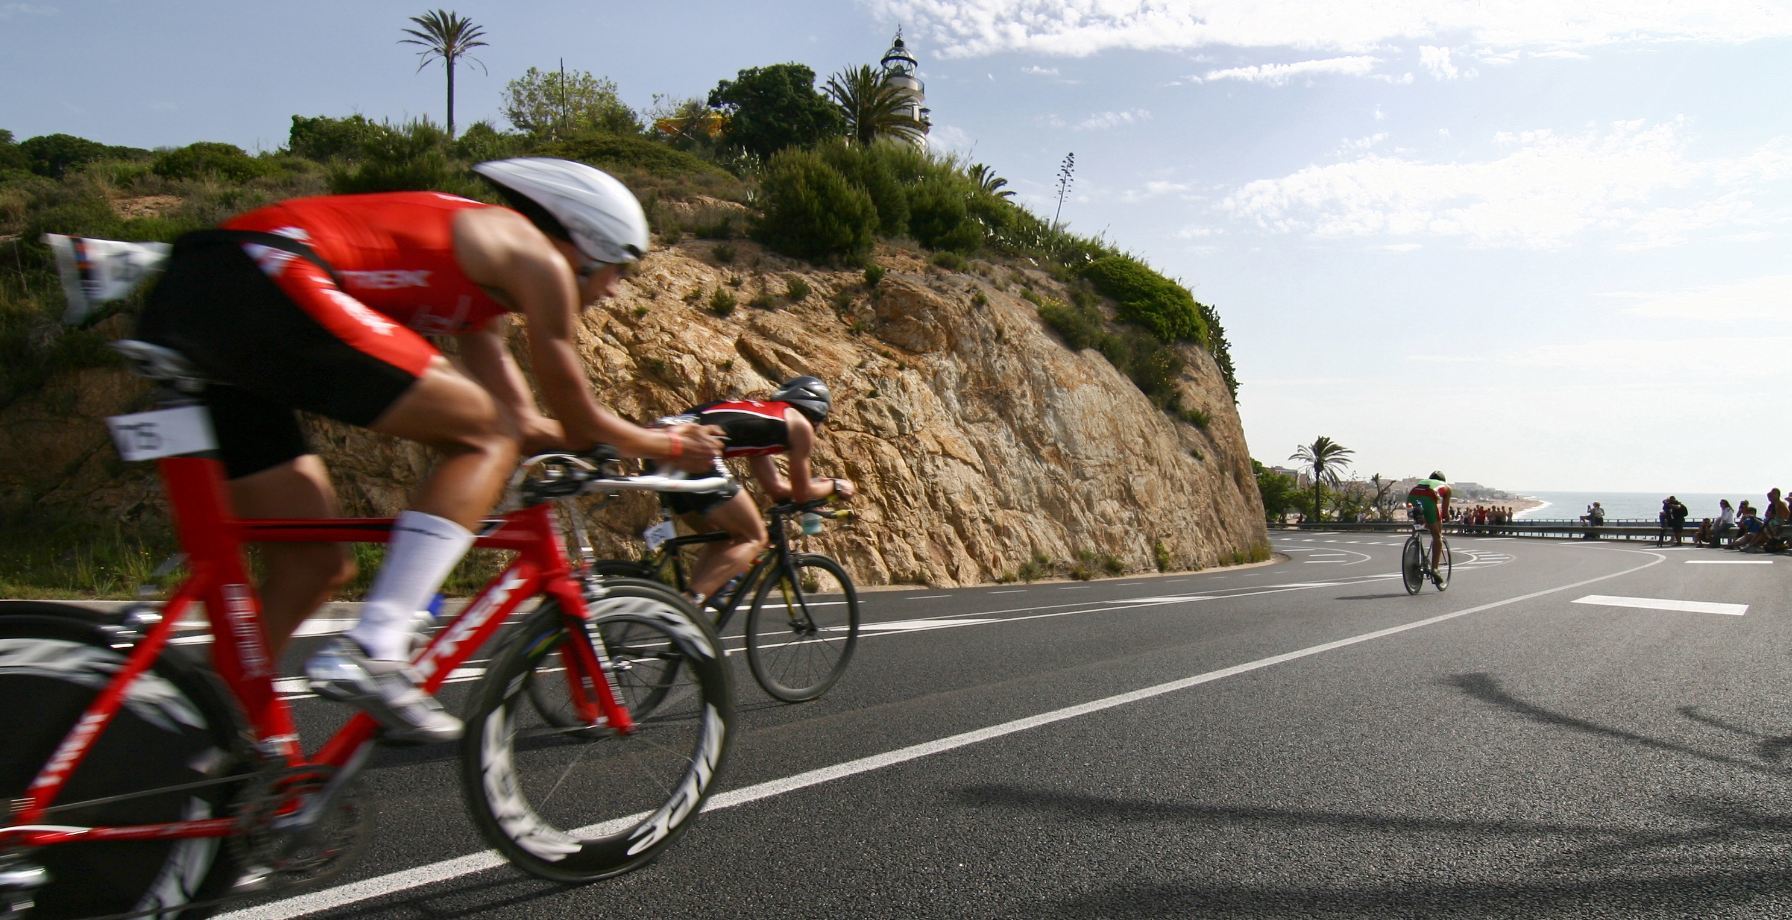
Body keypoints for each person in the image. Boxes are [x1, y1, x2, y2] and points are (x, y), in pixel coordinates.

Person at [132, 157, 724, 742]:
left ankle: (209, 737)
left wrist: (596, 445)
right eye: (618, 269)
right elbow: (566, 415)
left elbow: (525, 422)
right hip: (271, 273)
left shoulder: (483, 290)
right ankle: (377, 645)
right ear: (586, 243)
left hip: (208, 288)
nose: (616, 289)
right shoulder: (538, 258)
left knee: (313, 566)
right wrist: (667, 441)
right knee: (480, 435)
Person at [658, 376, 855, 608]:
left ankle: (691, 612)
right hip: (695, 450)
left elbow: (777, 488)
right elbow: (801, 494)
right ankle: (688, 606)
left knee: (723, 538)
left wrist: (812, 490)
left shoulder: (767, 419)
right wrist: (836, 486)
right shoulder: (801, 426)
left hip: (662, 444)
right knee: (756, 536)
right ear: (818, 411)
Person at [1405, 472, 1452, 584]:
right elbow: (1444, 512)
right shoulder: (1447, 487)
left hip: (1412, 496)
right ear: (1443, 480)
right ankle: (1435, 569)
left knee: (1418, 522)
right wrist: (1446, 517)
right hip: (1428, 498)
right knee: (1437, 537)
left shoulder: (1423, 482)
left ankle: (1414, 550)